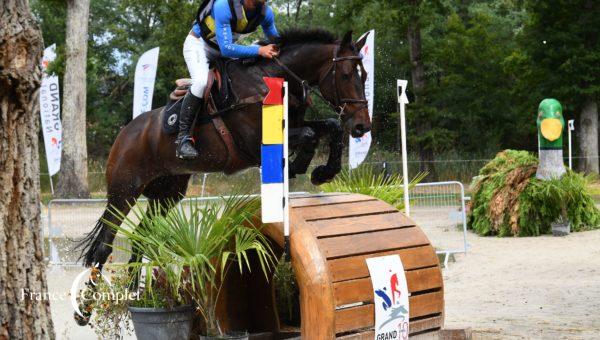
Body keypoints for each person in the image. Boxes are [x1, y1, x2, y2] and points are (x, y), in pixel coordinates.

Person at [177, 0, 280, 160]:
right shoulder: (223, 5)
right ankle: (183, 140)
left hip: (223, 51)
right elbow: (226, 48)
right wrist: (259, 49)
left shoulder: (266, 13)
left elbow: (277, 42)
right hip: (199, 46)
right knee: (201, 83)